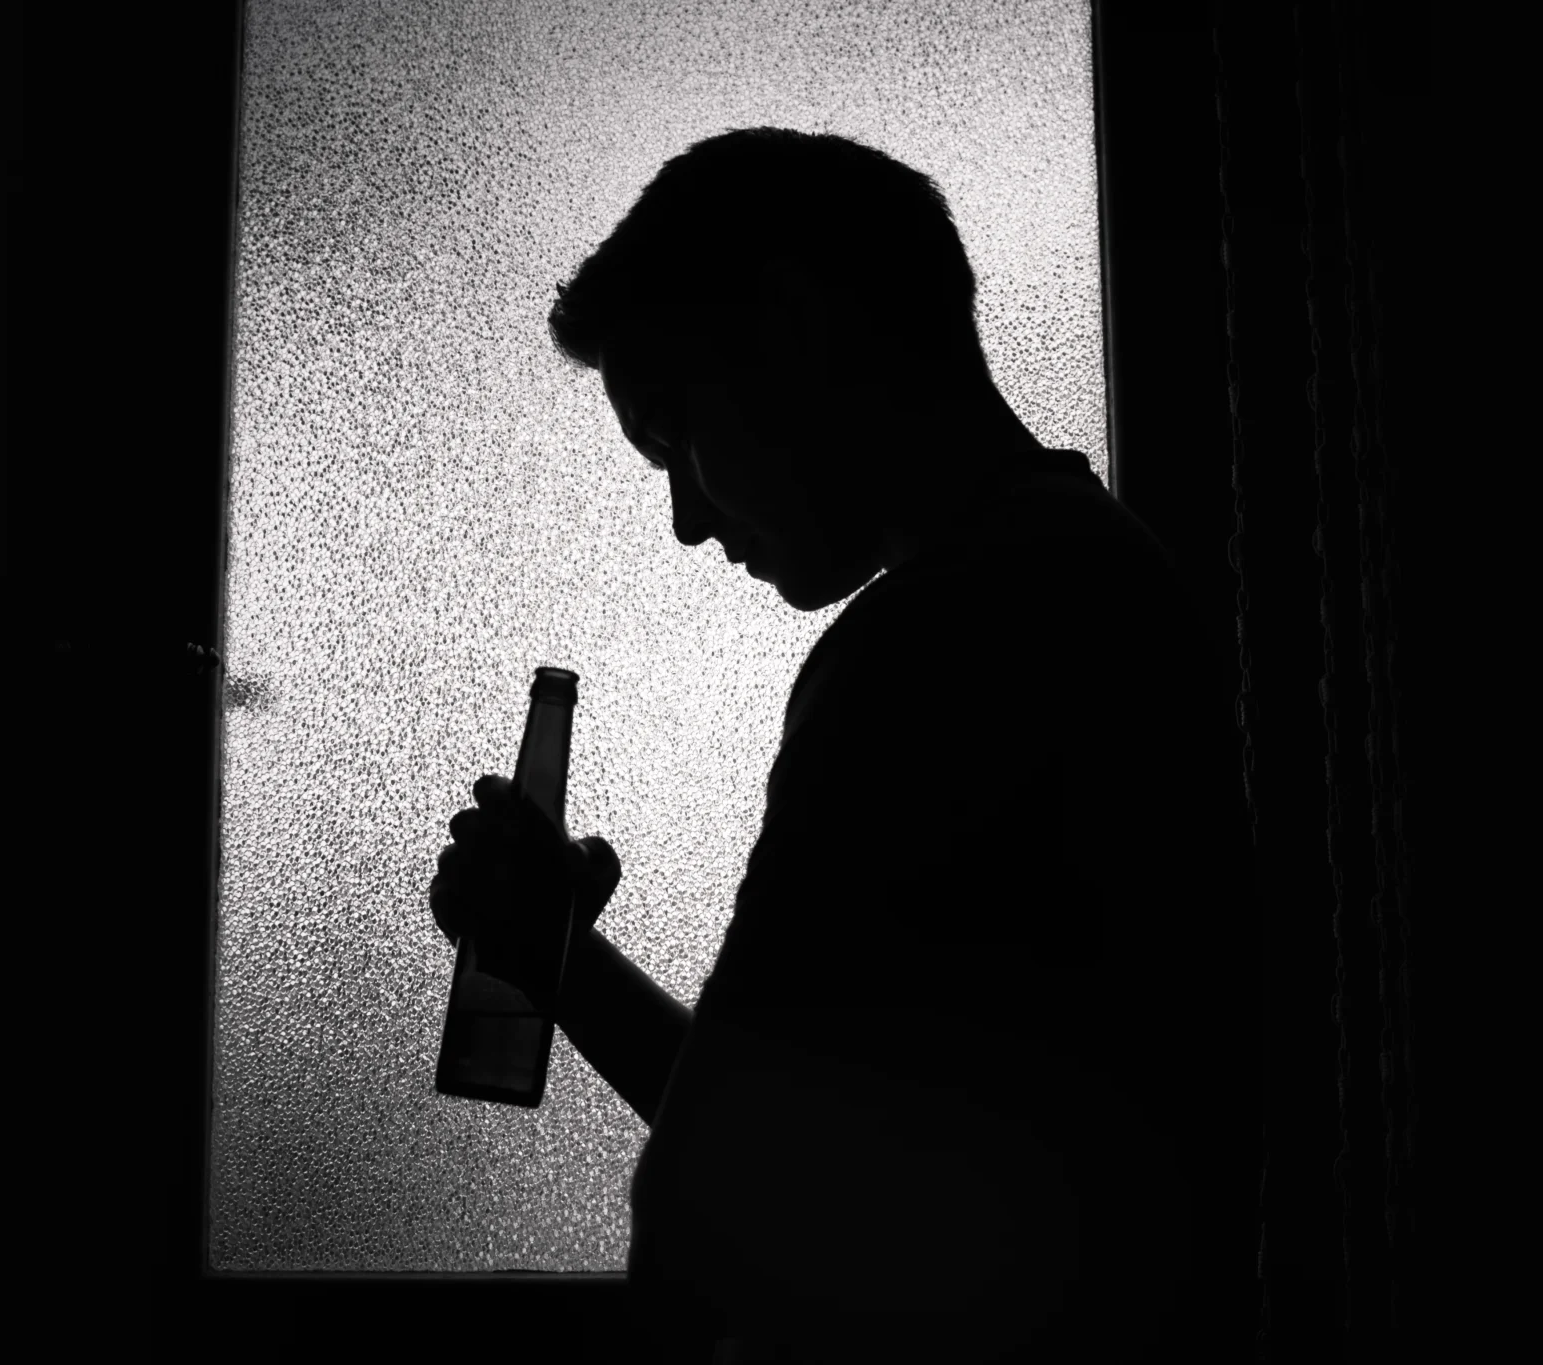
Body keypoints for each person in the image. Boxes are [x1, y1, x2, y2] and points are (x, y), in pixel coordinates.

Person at [430, 128, 1258, 1363]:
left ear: (793, 326)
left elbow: (724, 1195)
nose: (683, 522)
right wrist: (561, 964)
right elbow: (820, 1146)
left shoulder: (949, 633)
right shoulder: (1084, 576)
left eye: (674, 438)